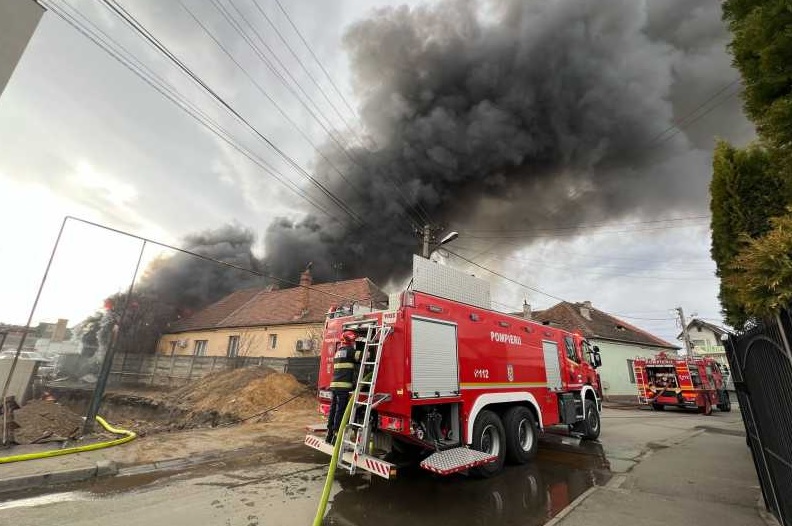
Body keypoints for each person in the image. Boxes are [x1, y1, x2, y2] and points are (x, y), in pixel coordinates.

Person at [326, 330, 360, 444]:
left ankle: (329, 434)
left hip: (334, 386)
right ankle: (336, 435)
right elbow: (365, 356)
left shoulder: (338, 351)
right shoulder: (350, 351)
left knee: (333, 409)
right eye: (353, 340)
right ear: (350, 341)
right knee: (340, 411)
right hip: (343, 388)